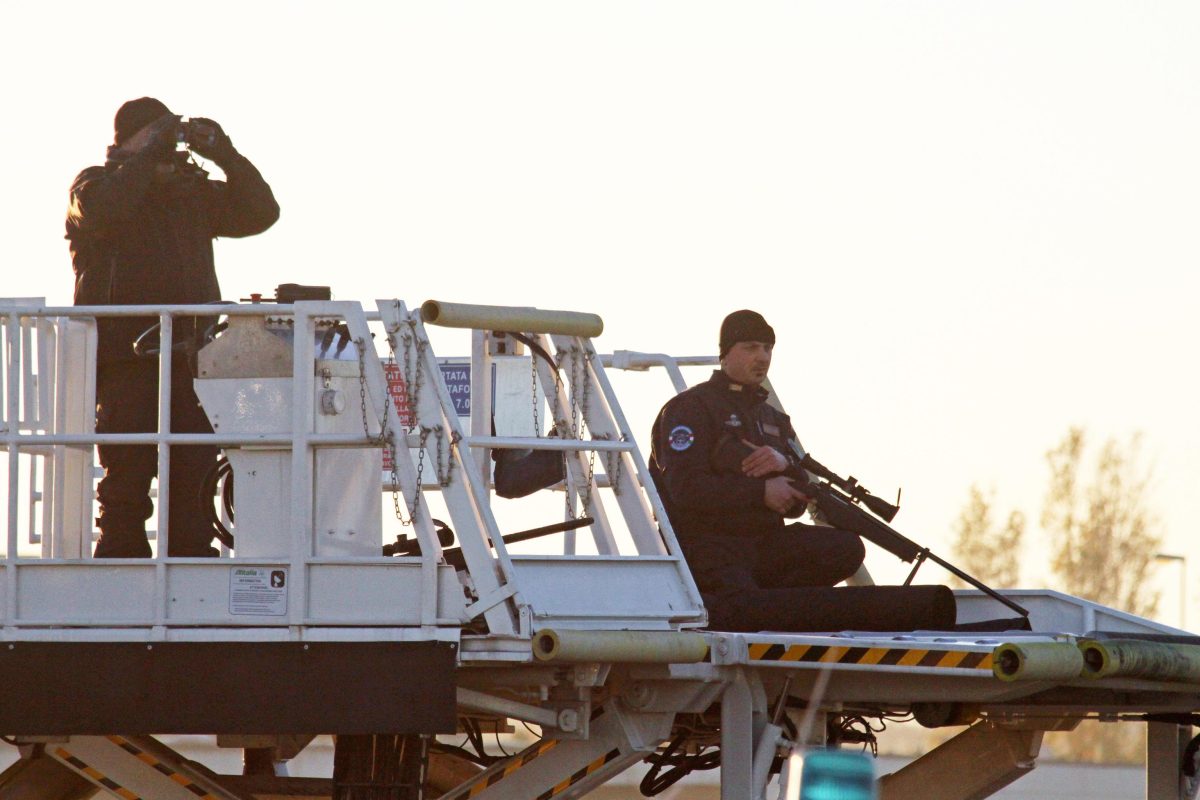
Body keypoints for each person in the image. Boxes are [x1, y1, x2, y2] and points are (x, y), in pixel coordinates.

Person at [65, 97, 280, 557]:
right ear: (128, 140)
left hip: (191, 355)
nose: (168, 143)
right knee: (127, 472)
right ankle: (119, 561)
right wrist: (149, 157)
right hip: (125, 358)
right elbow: (107, 207)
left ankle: (191, 561)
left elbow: (261, 212)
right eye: (157, 133)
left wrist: (224, 153)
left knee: (195, 471)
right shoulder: (93, 185)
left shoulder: (188, 195)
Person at [649, 310, 872, 632]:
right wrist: (761, 492)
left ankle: (777, 610)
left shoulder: (772, 418)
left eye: (768, 348)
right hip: (710, 545)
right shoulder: (691, 409)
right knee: (743, 603)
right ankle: (764, 610)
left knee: (845, 548)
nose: (762, 357)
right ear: (725, 354)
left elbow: (797, 499)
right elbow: (685, 489)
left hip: (764, 543)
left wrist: (785, 469)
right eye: (751, 347)